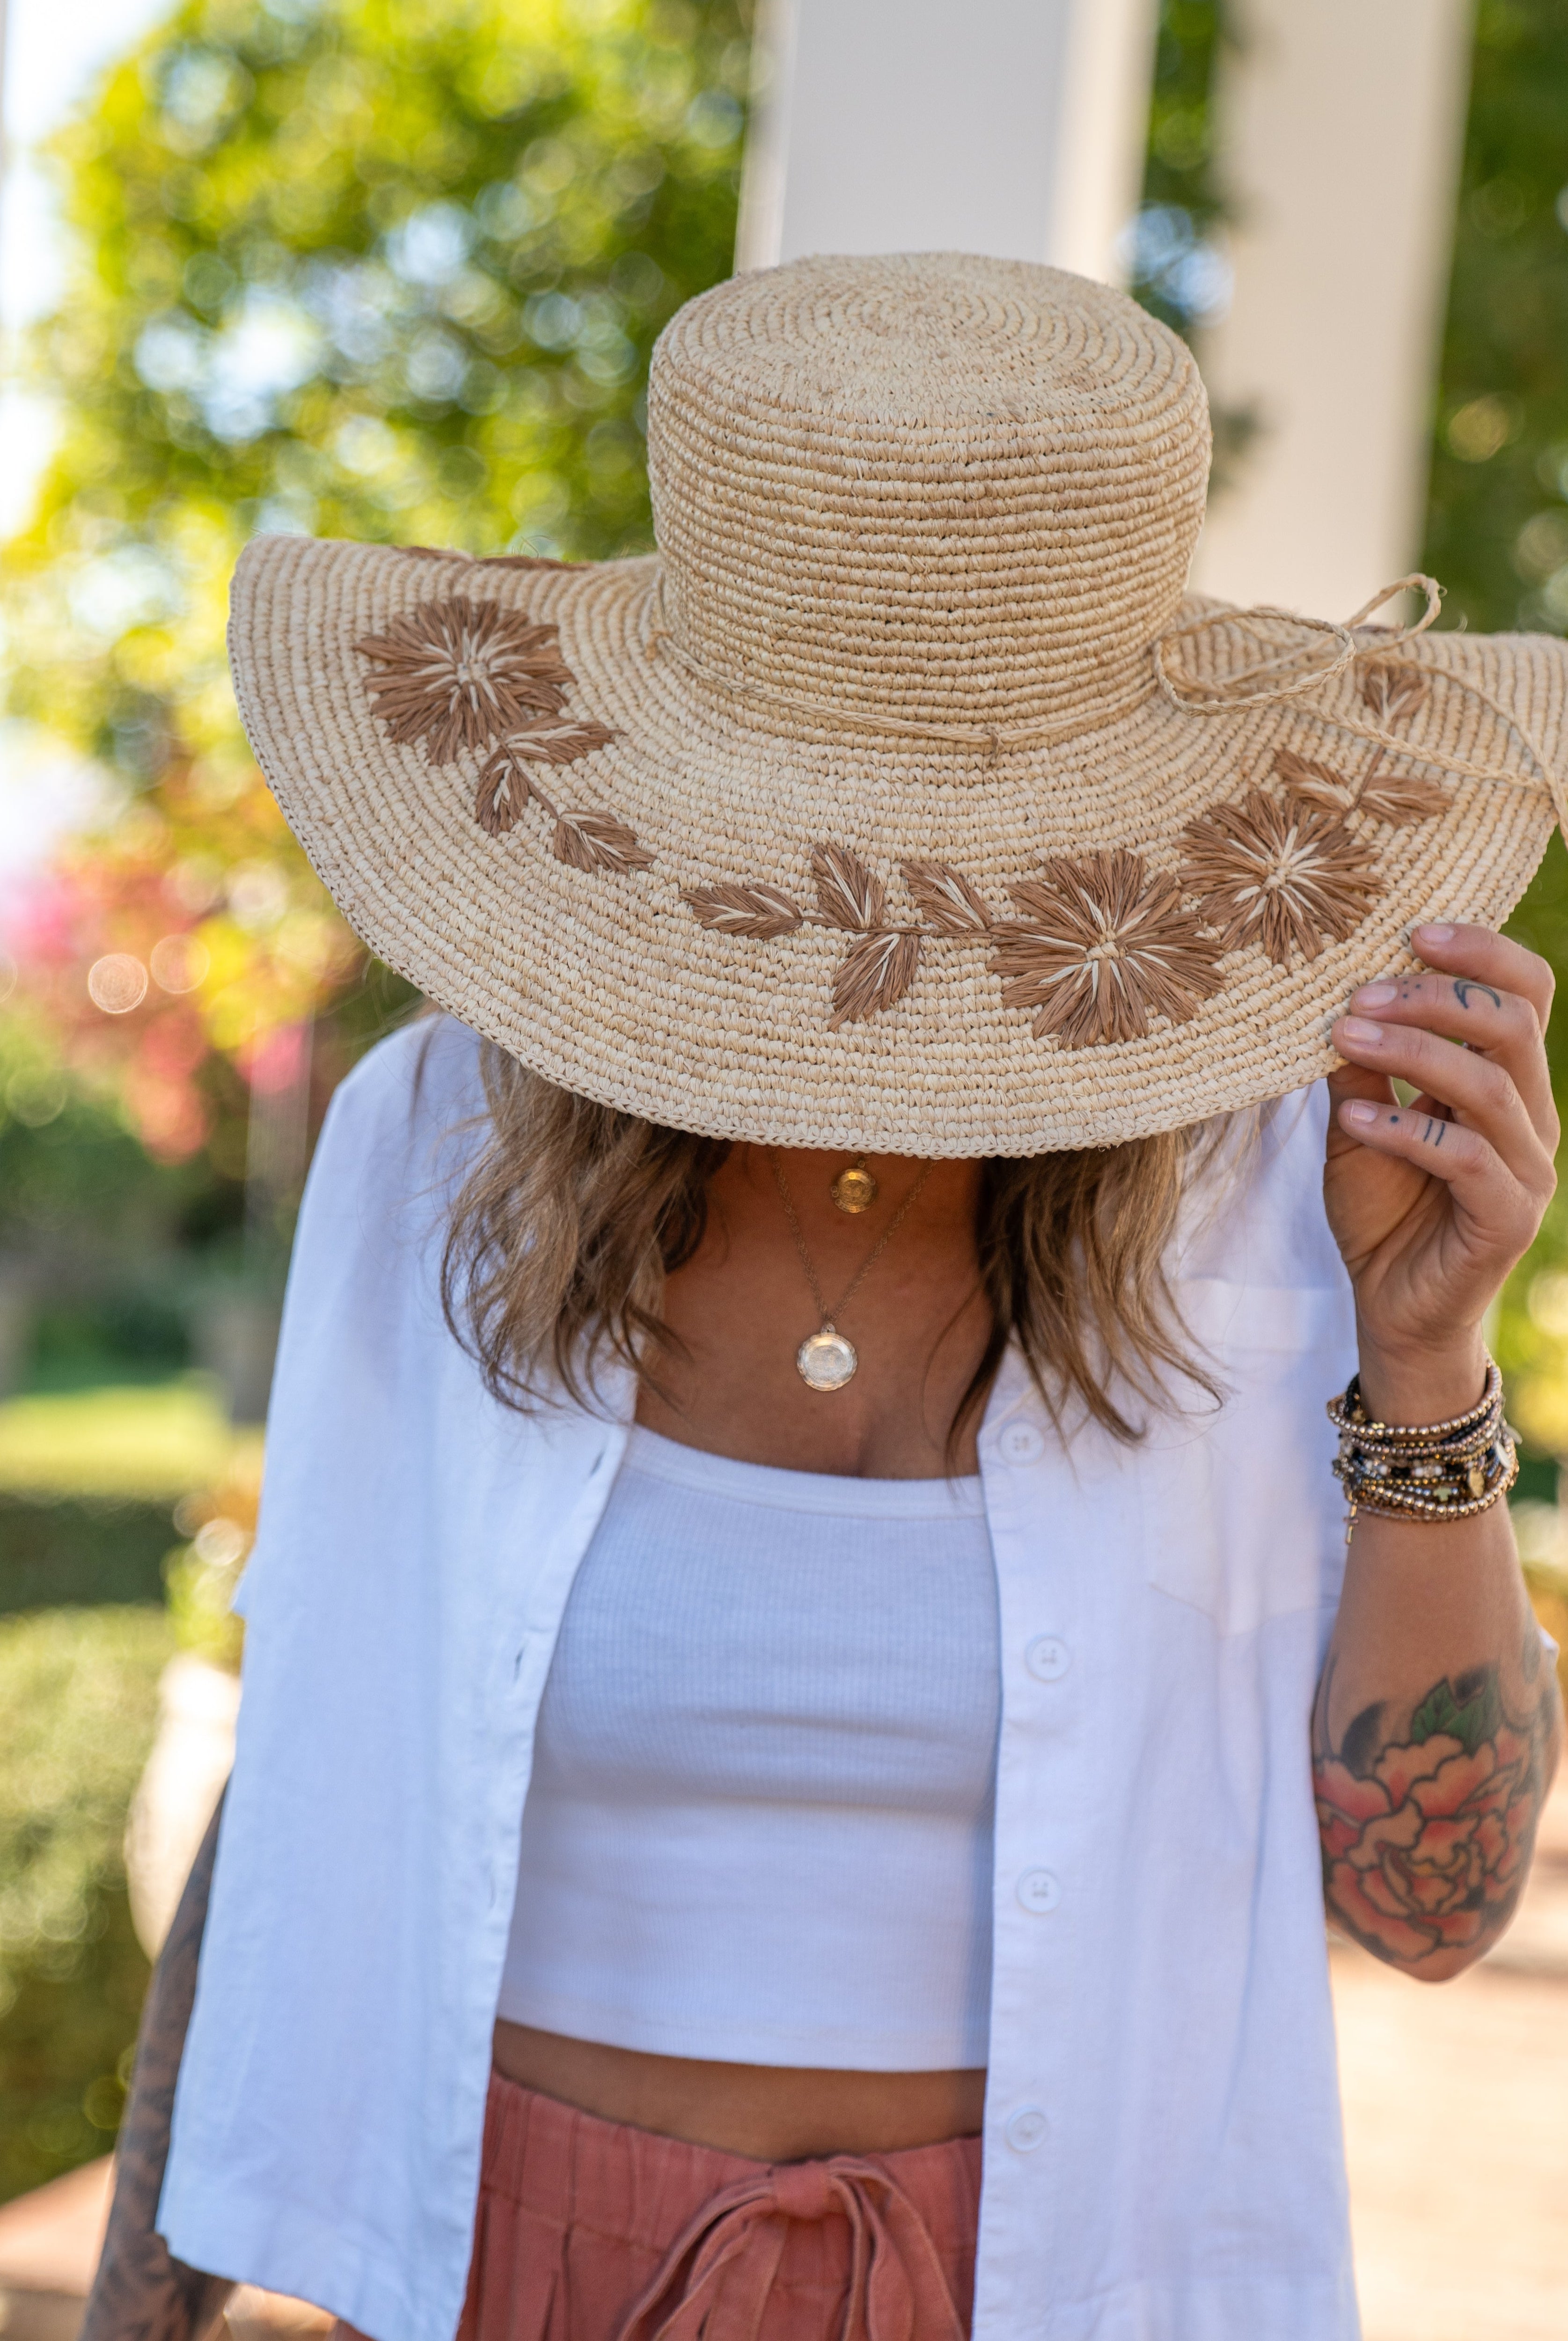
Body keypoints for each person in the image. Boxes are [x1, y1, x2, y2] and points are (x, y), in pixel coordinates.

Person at [86, 254, 1564, 2341]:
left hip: (1052, 2291)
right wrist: (141, 2306)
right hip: (514, 2274)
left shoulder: (1286, 1196)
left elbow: (1434, 1910)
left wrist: (1424, 1353)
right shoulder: (441, 1145)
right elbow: (334, 1733)